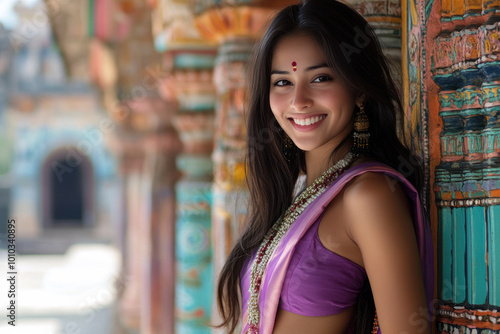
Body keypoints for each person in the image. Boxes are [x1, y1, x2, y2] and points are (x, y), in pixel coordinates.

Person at [216, 0, 434, 333]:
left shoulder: (369, 195)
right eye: (283, 82)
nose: (298, 101)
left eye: (320, 78)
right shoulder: (298, 194)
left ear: (358, 89)